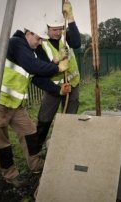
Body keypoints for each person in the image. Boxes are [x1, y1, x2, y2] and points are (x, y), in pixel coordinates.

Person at [0, 22, 71, 188]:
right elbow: (32, 66)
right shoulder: (15, 43)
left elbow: (37, 78)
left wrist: (58, 91)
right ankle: (10, 174)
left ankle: (35, 165)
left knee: (30, 132)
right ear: (28, 33)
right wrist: (56, 68)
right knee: (2, 143)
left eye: (42, 40)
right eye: (38, 38)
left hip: (15, 105)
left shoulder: (30, 53)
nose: (40, 42)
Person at [35, 1, 81, 145]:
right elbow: (42, 69)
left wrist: (71, 18)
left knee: (69, 118)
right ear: (46, 27)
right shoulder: (40, 43)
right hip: (54, 88)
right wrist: (56, 62)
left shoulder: (65, 35)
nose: (57, 33)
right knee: (45, 117)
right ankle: (38, 145)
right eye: (53, 29)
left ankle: (65, 143)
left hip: (72, 84)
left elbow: (77, 43)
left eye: (59, 28)